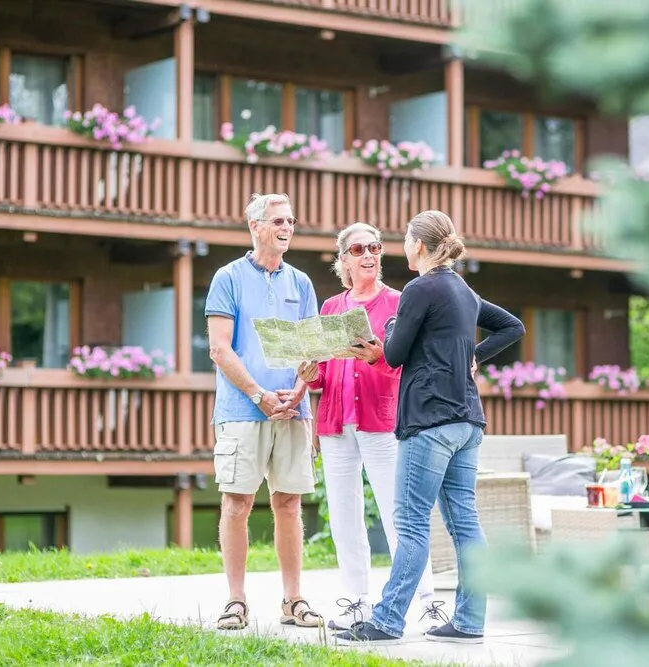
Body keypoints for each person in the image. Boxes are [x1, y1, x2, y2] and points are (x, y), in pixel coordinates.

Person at [335, 210, 525, 646]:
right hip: (467, 420)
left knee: (411, 521)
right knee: (465, 522)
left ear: (418, 245)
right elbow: (512, 327)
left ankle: (386, 621)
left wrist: (391, 328)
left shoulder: (419, 288)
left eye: (404, 238)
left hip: (429, 422)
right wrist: (473, 355)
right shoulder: (462, 289)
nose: (402, 245)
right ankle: (469, 622)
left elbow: (395, 353)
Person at [296, 222, 444, 634]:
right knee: (345, 519)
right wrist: (310, 375)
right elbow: (324, 374)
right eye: (358, 249)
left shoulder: (399, 301)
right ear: (343, 260)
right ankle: (357, 601)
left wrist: (378, 357)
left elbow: (412, 366)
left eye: (375, 248)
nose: (368, 255)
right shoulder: (331, 308)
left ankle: (427, 602)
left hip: (382, 421)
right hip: (335, 423)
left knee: (401, 517)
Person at [206, 192, 324, 631]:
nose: (286, 228)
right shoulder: (228, 277)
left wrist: (299, 390)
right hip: (242, 410)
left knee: (289, 504)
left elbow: (312, 351)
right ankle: (236, 601)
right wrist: (259, 396)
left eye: (290, 221)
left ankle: (294, 600)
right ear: (255, 226)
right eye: (278, 221)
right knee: (237, 503)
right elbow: (220, 349)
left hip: (293, 410)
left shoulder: (302, 283)